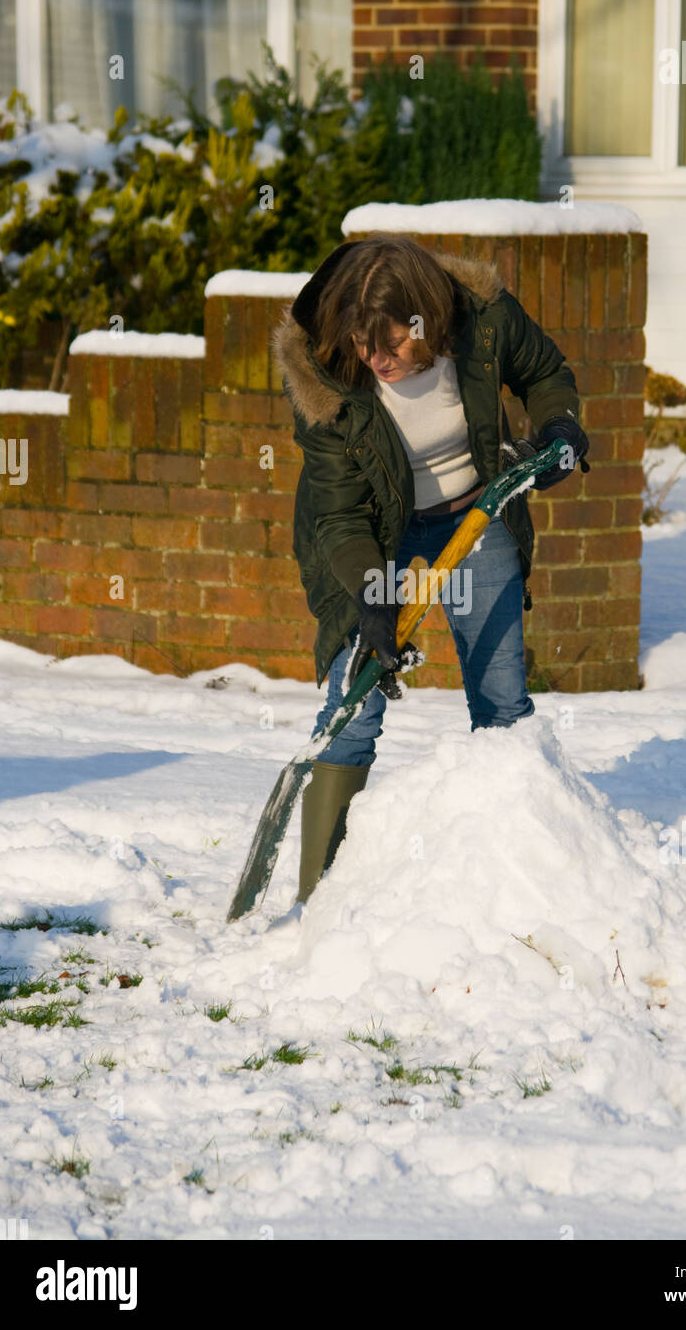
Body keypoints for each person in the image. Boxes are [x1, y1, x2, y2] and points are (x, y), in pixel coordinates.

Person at [273, 232, 588, 903]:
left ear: (428, 319)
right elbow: (337, 513)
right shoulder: (325, 373)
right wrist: (370, 596)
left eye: (392, 342)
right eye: (362, 343)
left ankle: (519, 884)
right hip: (372, 538)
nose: (376, 359)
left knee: (502, 702)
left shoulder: (484, 317)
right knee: (351, 706)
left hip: (479, 514)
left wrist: (558, 427)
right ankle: (315, 902)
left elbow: (543, 373)